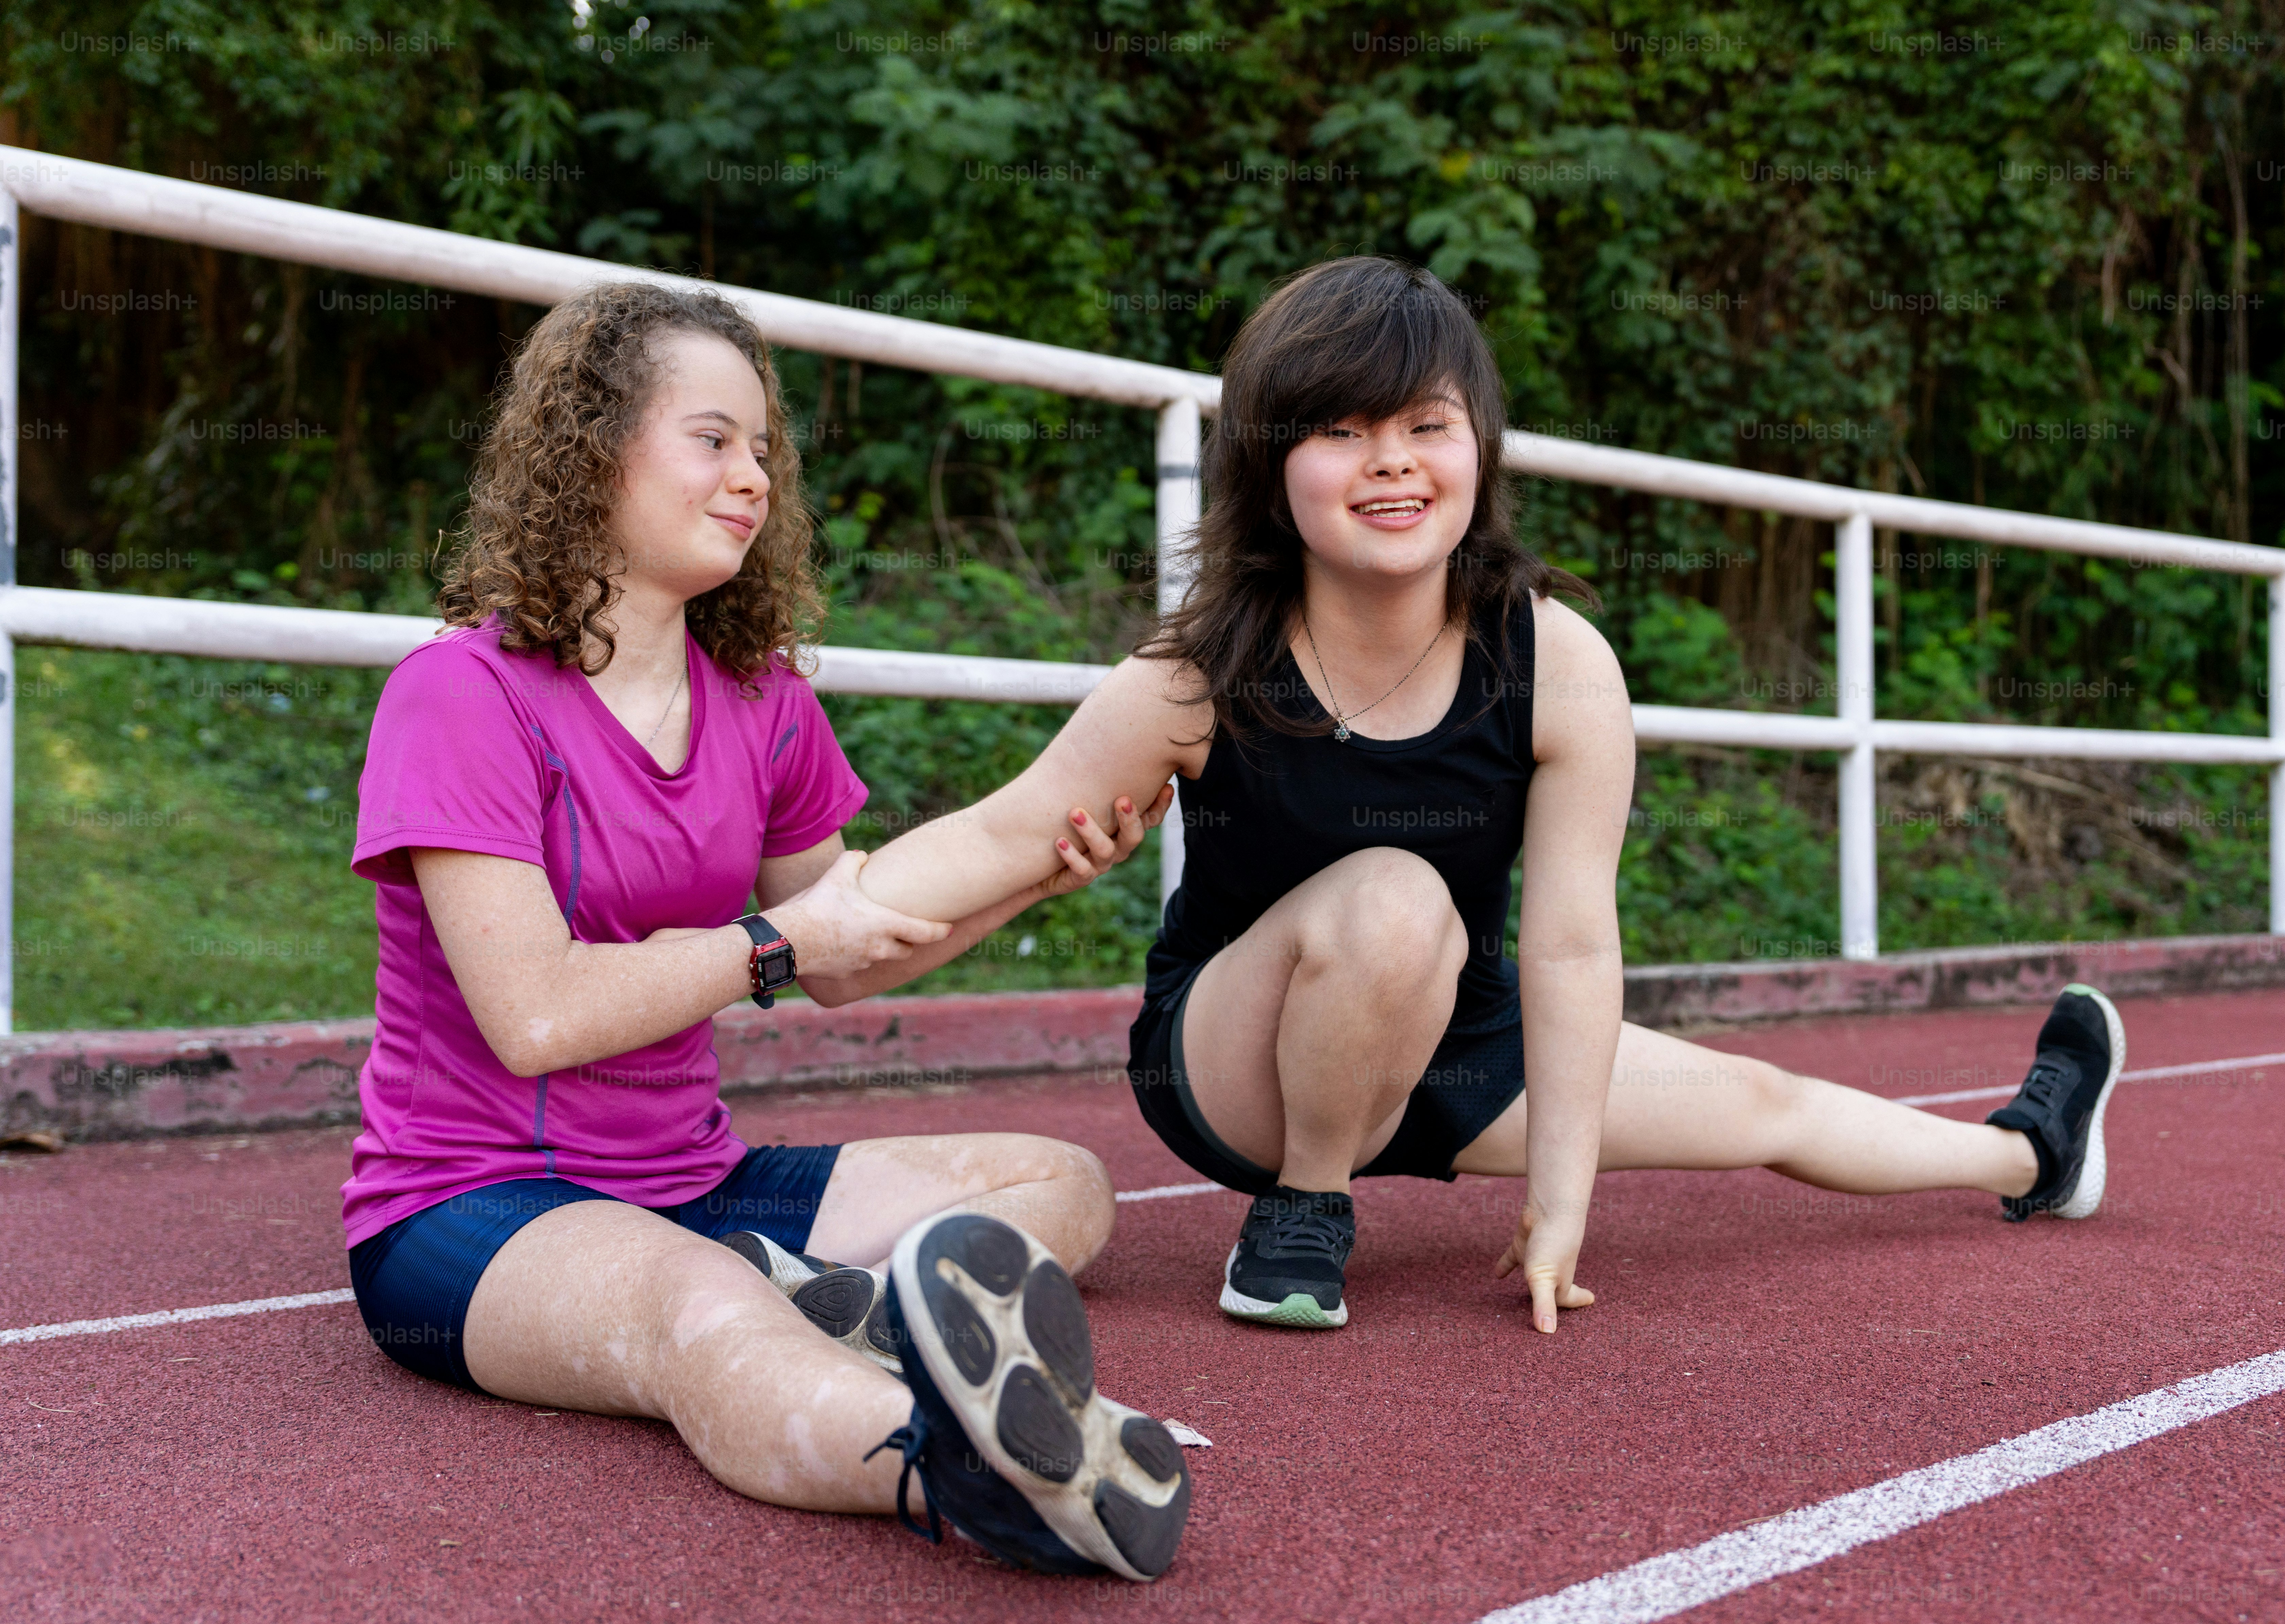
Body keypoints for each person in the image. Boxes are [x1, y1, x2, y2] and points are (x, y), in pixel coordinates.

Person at [838, 255, 2128, 1336]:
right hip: (1238, 1066)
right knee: (1393, 895)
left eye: (1423, 427)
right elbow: (1002, 834)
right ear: (1269, 467)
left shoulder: (1555, 659)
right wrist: (787, 944)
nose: (1388, 465)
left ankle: (2033, 1152)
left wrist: (1561, 1192)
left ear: (1478, 447)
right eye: (1339, 431)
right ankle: (1301, 1217)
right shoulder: (1198, 676)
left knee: (1761, 1105)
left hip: (1454, 1036)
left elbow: (1569, 938)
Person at [340, 280, 1189, 1582]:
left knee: (1061, 1188)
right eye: (713, 438)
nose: (752, 477)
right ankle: (973, 1467)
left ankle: (803, 1292)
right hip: (473, 1202)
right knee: (702, 1314)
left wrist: (1035, 883)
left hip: (695, 1180)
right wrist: (776, 943)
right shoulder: (457, 695)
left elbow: (850, 954)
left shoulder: (761, 699)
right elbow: (539, 1016)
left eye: (764, 451)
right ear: (593, 446)